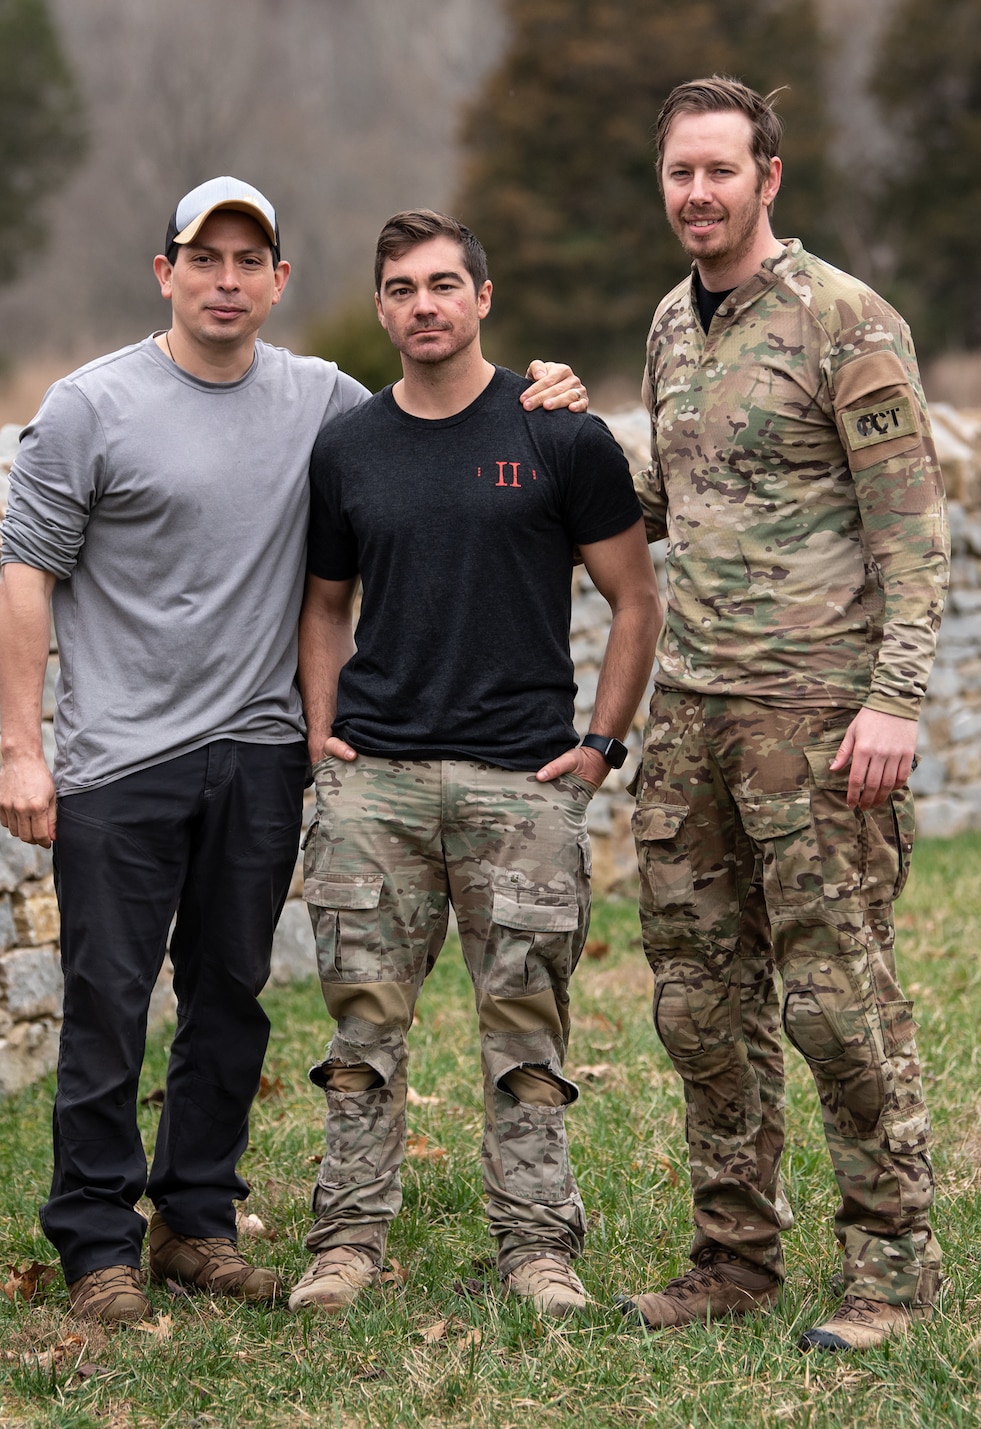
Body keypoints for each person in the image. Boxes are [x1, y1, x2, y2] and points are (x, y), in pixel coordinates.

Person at [0, 177, 592, 1327]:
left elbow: (440, 416)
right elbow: (27, 576)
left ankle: (196, 1224)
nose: (225, 280)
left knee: (230, 998)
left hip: (263, 749)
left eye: (247, 260)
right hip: (118, 760)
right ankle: (95, 1241)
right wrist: (24, 749)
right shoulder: (90, 405)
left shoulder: (320, 400)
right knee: (108, 1003)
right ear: (164, 273)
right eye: (201, 258)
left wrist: (545, 390)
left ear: (278, 280)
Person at [618, 78, 950, 1351]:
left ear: (768, 177)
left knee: (834, 996)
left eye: (717, 170)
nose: (694, 193)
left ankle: (890, 1266)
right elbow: (686, 492)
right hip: (690, 714)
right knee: (699, 1001)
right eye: (675, 173)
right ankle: (733, 1256)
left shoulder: (845, 321)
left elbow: (909, 530)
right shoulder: (666, 325)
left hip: (816, 718)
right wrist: (558, 450)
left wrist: (894, 699)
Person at [285, 209, 663, 1319]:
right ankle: (345, 1241)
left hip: (522, 787)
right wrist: (321, 733)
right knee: (360, 1033)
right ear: (381, 307)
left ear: (482, 298)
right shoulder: (349, 446)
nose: (423, 306)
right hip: (376, 787)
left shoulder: (558, 434)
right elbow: (323, 603)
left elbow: (634, 598)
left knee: (526, 1037)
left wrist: (598, 744)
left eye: (444, 284)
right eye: (400, 288)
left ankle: (537, 1249)